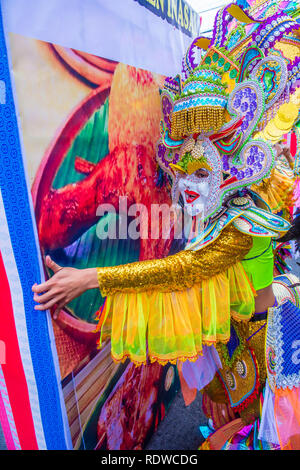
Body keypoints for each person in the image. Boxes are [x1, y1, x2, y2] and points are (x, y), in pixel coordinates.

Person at [33, 1, 300, 450]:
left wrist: (92, 277)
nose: (188, 184)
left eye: (201, 171)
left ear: (232, 158)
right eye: (182, 168)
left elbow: (183, 270)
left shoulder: (247, 205)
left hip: (269, 333)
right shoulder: (198, 197)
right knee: (230, 420)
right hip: (225, 334)